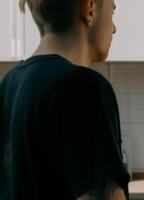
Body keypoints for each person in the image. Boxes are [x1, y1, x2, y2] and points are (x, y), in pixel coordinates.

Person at [0, 0, 129, 199]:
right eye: (112, 11)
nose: (114, 28)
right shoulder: (85, 87)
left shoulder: (9, 84)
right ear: (90, 9)